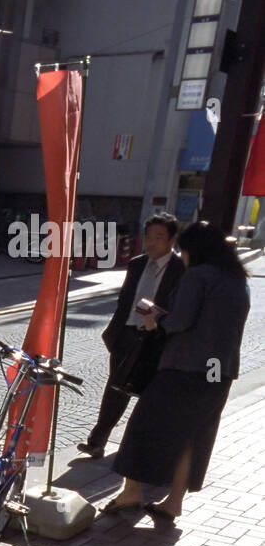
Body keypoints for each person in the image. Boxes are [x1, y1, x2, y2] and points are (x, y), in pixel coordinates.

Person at [102, 221, 250, 527]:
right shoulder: (238, 279)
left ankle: (132, 491)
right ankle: (174, 501)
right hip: (218, 371)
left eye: (183, 249)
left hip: (186, 367)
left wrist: (156, 319)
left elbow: (181, 321)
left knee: (144, 423)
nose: (181, 256)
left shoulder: (198, 276)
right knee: (193, 434)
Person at [78, 212, 183, 458]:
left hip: (156, 339)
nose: (152, 242)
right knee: (115, 388)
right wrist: (114, 333)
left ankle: (138, 446)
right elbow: (124, 301)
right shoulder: (137, 264)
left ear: (171, 239)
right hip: (126, 334)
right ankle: (97, 441)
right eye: (148, 236)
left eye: (159, 237)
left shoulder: (181, 269)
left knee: (149, 393)